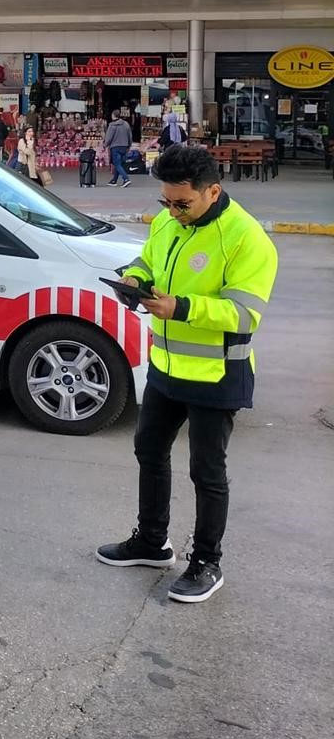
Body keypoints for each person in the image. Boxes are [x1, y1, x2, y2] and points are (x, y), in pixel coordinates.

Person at [96, 143, 278, 602]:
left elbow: (244, 315)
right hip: (167, 366)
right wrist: (134, 280)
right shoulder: (167, 222)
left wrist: (180, 308)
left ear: (212, 191)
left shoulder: (246, 238)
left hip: (218, 374)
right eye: (167, 201)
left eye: (183, 203)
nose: (173, 212)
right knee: (149, 450)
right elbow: (148, 261)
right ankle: (152, 542)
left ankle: (206, 563)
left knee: (207, 471)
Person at [103, 108, 133, 186]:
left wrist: (105, 145)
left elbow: (109, 137)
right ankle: (114, 180)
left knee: (117, 164)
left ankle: (126, 179)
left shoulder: (112, 125)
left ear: (113, 116)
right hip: (124, 146)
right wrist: (129, 145)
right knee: (119, 164)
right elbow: (130, 135)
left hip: (115, 147)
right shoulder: (126, 124)